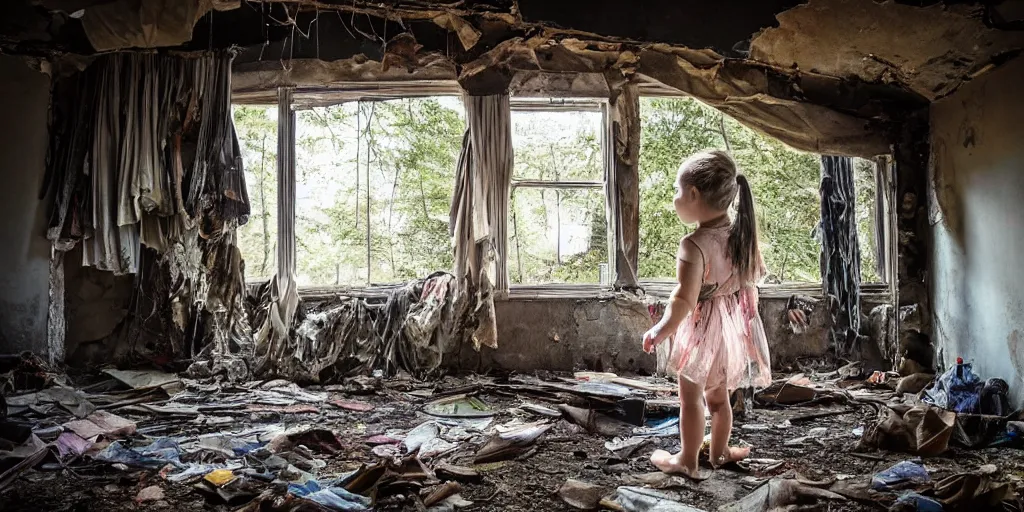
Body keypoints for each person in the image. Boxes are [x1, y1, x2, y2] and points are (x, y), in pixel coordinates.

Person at [642, 150, 772, 479]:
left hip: (702, 332)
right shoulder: (744, 236)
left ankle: (687, 459)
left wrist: (660, 330)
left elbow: (683, 301)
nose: (674, 198)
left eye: (676, 190)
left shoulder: (694, 244)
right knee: (718, 399)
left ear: (694, 194)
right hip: (732, 332)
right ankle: (720, 452)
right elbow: (750, 283)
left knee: (690, 398)